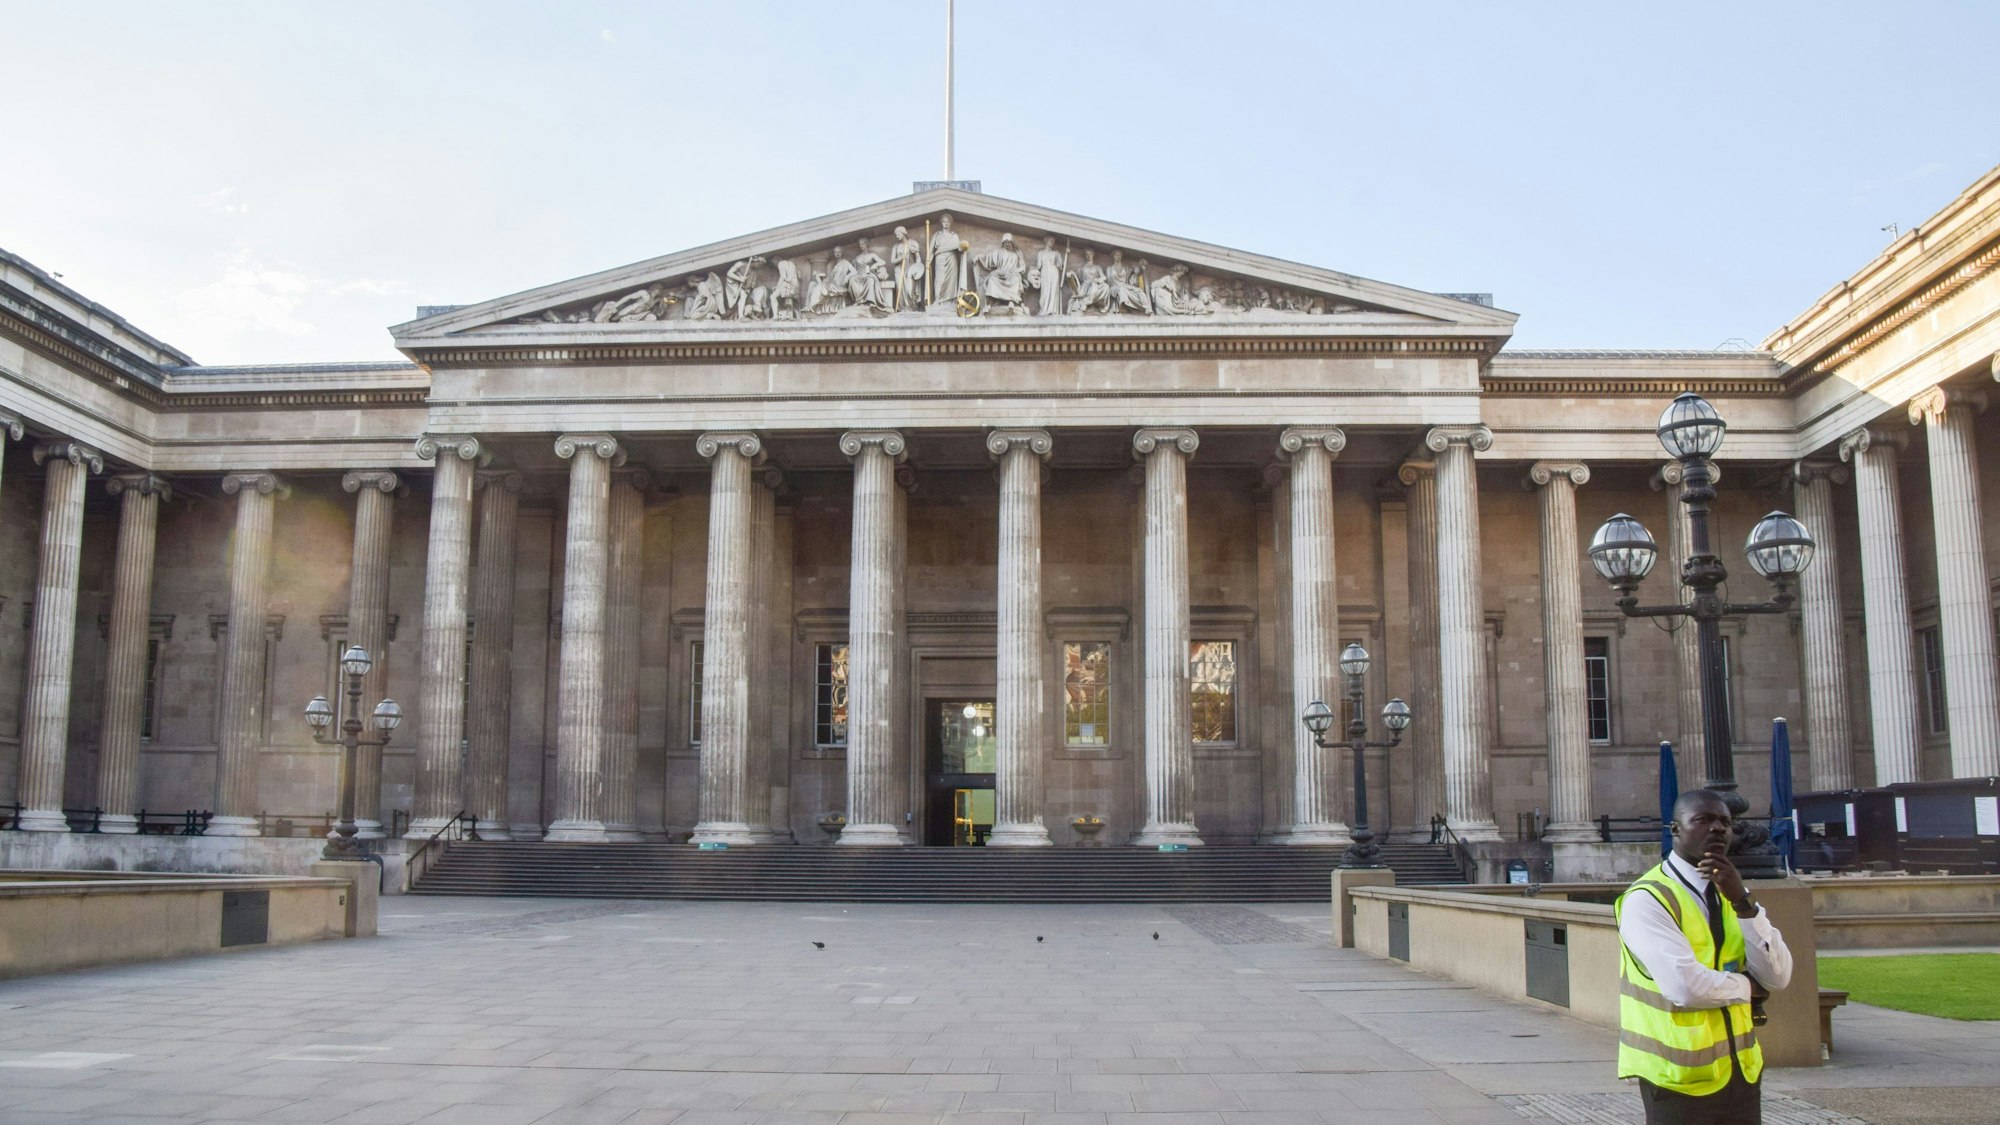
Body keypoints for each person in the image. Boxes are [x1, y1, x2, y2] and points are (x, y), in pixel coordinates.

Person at [1616, 789, 1792, 1123]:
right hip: (1677, 1079)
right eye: (1703, 819)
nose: (1717, 828)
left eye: (1725, 821)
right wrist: (1748, 988)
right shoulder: (1649, 898)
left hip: (1740, 1074)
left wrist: (1743, 901)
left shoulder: (1733, 893)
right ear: (1675, 829)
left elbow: (1778, 975)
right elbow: (1684, 987)